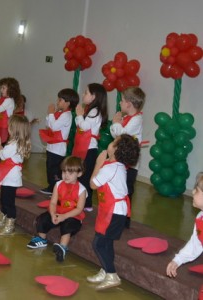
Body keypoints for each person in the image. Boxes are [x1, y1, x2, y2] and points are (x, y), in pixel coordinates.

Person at [87, 134, 140, 290]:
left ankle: (112, 274)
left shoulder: (110, 167)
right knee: (106, 242)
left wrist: (98, 163)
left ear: (116, 149)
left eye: (112, 142)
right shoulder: (116, 166)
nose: (109, 143)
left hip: (114, 211)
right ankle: (105, 270)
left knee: (98, 244)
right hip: (111, 210)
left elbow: (93, 184)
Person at [27, 156, 86, 262]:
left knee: (68, 225)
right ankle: (41, 238)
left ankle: (62, 247)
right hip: (59, 212)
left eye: (70, 173)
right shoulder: (58, 184)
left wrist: (64, 216)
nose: (66, 175)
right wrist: (53, 214)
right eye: (64, 171)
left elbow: (79, 209)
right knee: (43, 218)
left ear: (79, 174)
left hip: (73, 215)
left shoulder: (82, 190)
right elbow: (53, 202)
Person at [0, 115, 31, 235]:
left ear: (15, 129)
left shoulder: (14, 144)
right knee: (4, 199)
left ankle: (10, 224)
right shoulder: (15, 143)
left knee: (8, 201)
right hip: (8, 175)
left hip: (11, 177)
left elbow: (2, 155)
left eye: (9, 126)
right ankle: (2, 219)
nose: (7, 128)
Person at [110, 87, 146, 227]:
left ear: (129, 104)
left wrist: (115, 123)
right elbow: (116, 135)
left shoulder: (136, 119)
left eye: (122, 100)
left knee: (127, 190)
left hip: (130, 163)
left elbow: (122, 135)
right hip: (121, 159)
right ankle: (117, 214)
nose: (120, 103)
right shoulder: (127, 118)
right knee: (119, 188)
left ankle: (125, 219)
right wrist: (117, 124)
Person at [73, 83, 108, 211]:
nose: (83, 94)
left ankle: (86, 203)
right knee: (82, 174)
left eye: (86, 92)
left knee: (85, 176)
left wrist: (78, 115)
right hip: (85, 146)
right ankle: (82, 201)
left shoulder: (95, 111)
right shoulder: (90, 109)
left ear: (94, 96)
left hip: (89, 148)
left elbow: (84, 126)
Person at [39, 88, 79, 195]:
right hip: (51, 147)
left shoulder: (67, 115)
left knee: (55, 170)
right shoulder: (60, 113)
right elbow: (49, 125)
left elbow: (55, 126)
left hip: (58, 149)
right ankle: (51, 186)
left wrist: (51, 114)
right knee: (49, 168)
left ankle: (56, 189)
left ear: (67, 103)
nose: (57, 102)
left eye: (60, 100)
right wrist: (50, 114)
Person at [166, 172, 203, 278]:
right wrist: (178, 260)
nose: (192, 192)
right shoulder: (200, 217)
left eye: (197, 190)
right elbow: (195, 244)